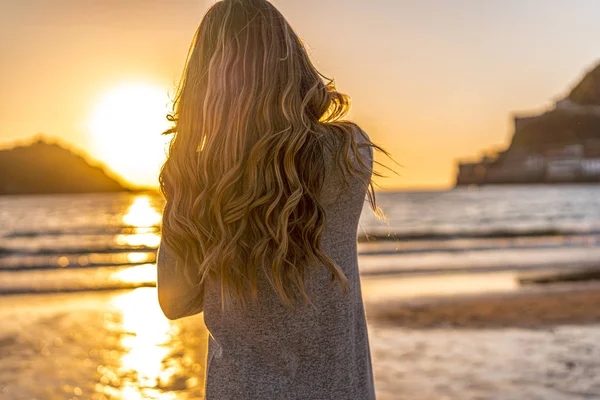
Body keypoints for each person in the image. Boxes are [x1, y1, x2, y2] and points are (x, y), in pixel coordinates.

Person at [157, 0, 389, 398]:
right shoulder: (350, 151)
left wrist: (186, 181)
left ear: (203, 80)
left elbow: (175, 300)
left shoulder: (200, 177)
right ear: (293, 63)